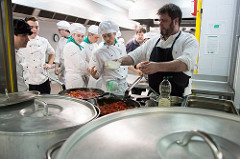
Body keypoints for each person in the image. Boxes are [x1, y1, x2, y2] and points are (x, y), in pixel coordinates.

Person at [117, 3, 199, 97]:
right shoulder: (153, 41)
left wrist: (156, 67)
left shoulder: (189, 40)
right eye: (159, 20)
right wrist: (118, 61)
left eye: (164, 20)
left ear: (176, 21)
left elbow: (185, 63)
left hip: (178, 99)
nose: (160, 24)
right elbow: (133, 56)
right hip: (154, 96)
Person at [89, 21, 128, 95]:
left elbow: (125, 64)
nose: (107, 39)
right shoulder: (99, 52)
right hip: (111, 86)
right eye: (104, 36)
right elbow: (98, 74)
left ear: (115, 33)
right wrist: (94, 75)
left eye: (109, 35)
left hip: (124, 85)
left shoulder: (122, 47)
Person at [19, 16, 55, 94]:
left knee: (47, 102)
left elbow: (52, 53)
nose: (35, 30)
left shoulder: (44, 41)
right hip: (28, 82)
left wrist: (49, 64)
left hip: (43, 80)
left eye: (36, 27)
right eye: (31, 27)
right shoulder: (20, 42)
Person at [63, 23, 89, 89]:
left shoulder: (78, 46)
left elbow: (84, 60)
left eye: (82, 36)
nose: (80, 38)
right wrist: (90, 67)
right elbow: (79, 64)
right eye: (78, 35)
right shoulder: (71, 46)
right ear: (73, 35)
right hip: (74, 78)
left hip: (78, 77)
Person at [13, 19, 32, 91]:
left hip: (23, 95)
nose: (28, 39)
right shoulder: (4, 58)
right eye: (24, 35)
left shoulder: (19, 52)